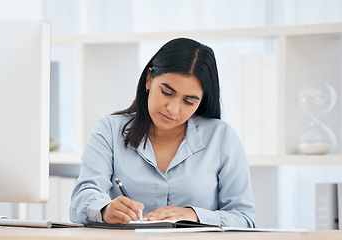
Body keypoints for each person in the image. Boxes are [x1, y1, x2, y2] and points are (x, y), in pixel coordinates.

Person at [69, 38, 255, 228]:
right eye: (167, 92)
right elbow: (81, 199)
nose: (173, 109)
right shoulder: (109, 130)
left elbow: (244, 219)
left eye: (189, 102)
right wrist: (105, 209)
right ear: (149, 79)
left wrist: (194, 215)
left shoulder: (222, 137)